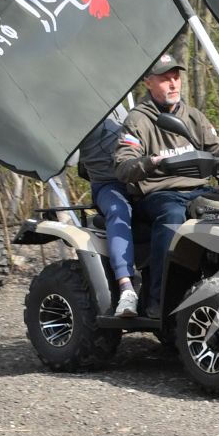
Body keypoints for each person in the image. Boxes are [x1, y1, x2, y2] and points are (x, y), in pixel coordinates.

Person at [114, 52, 219, 314]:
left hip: (198, 190)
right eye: (165, 79)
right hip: (158, 195)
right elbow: (123, 166)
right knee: (173, 216)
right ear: (148, 83)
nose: (174, 84)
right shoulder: (138, 120)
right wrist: (151, 161)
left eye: (176, 77)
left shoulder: (193, 116)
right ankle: (160, 299)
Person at [76, 109, 142, 317]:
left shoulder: (120, 106)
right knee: (118, 211)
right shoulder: (72, 119)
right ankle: (126, 288)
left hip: (143, 177)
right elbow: (71, 162)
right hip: (109, 185)